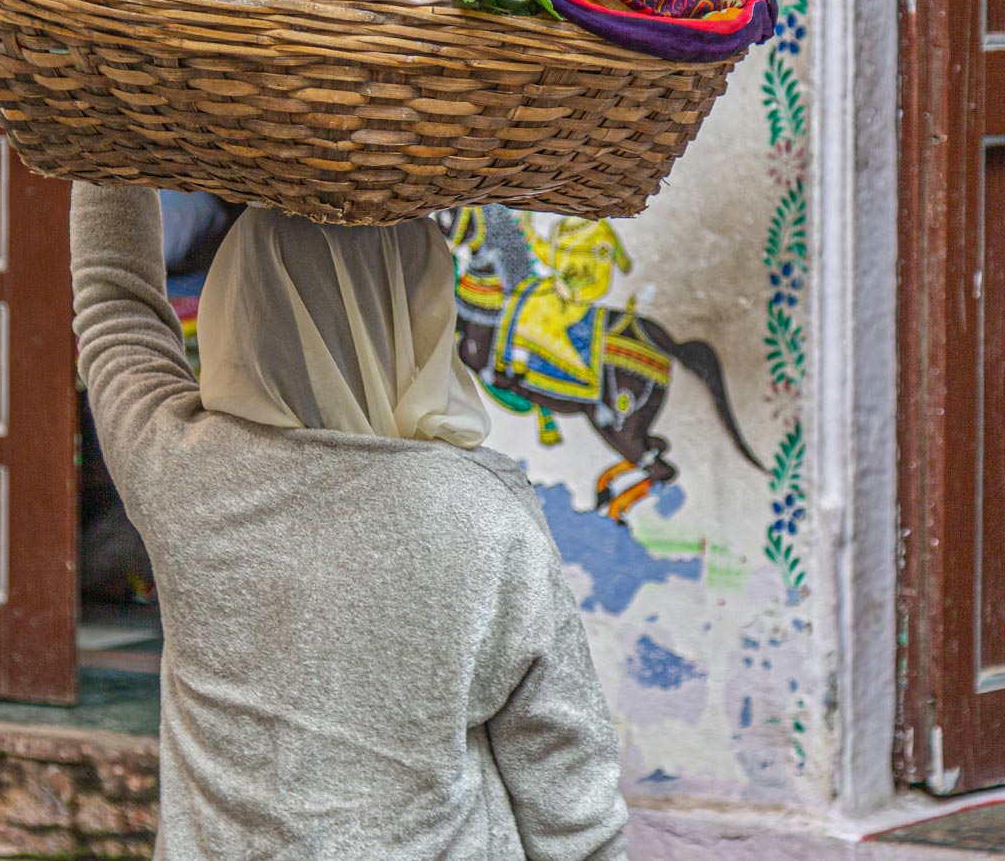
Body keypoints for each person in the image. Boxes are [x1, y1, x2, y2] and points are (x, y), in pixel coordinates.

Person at [71, 181, 629, 860]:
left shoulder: (182, 473)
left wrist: (99, 147)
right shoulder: (488, 521)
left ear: (241, 303)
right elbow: (571, 806)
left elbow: (113, 307)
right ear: (423, 309)